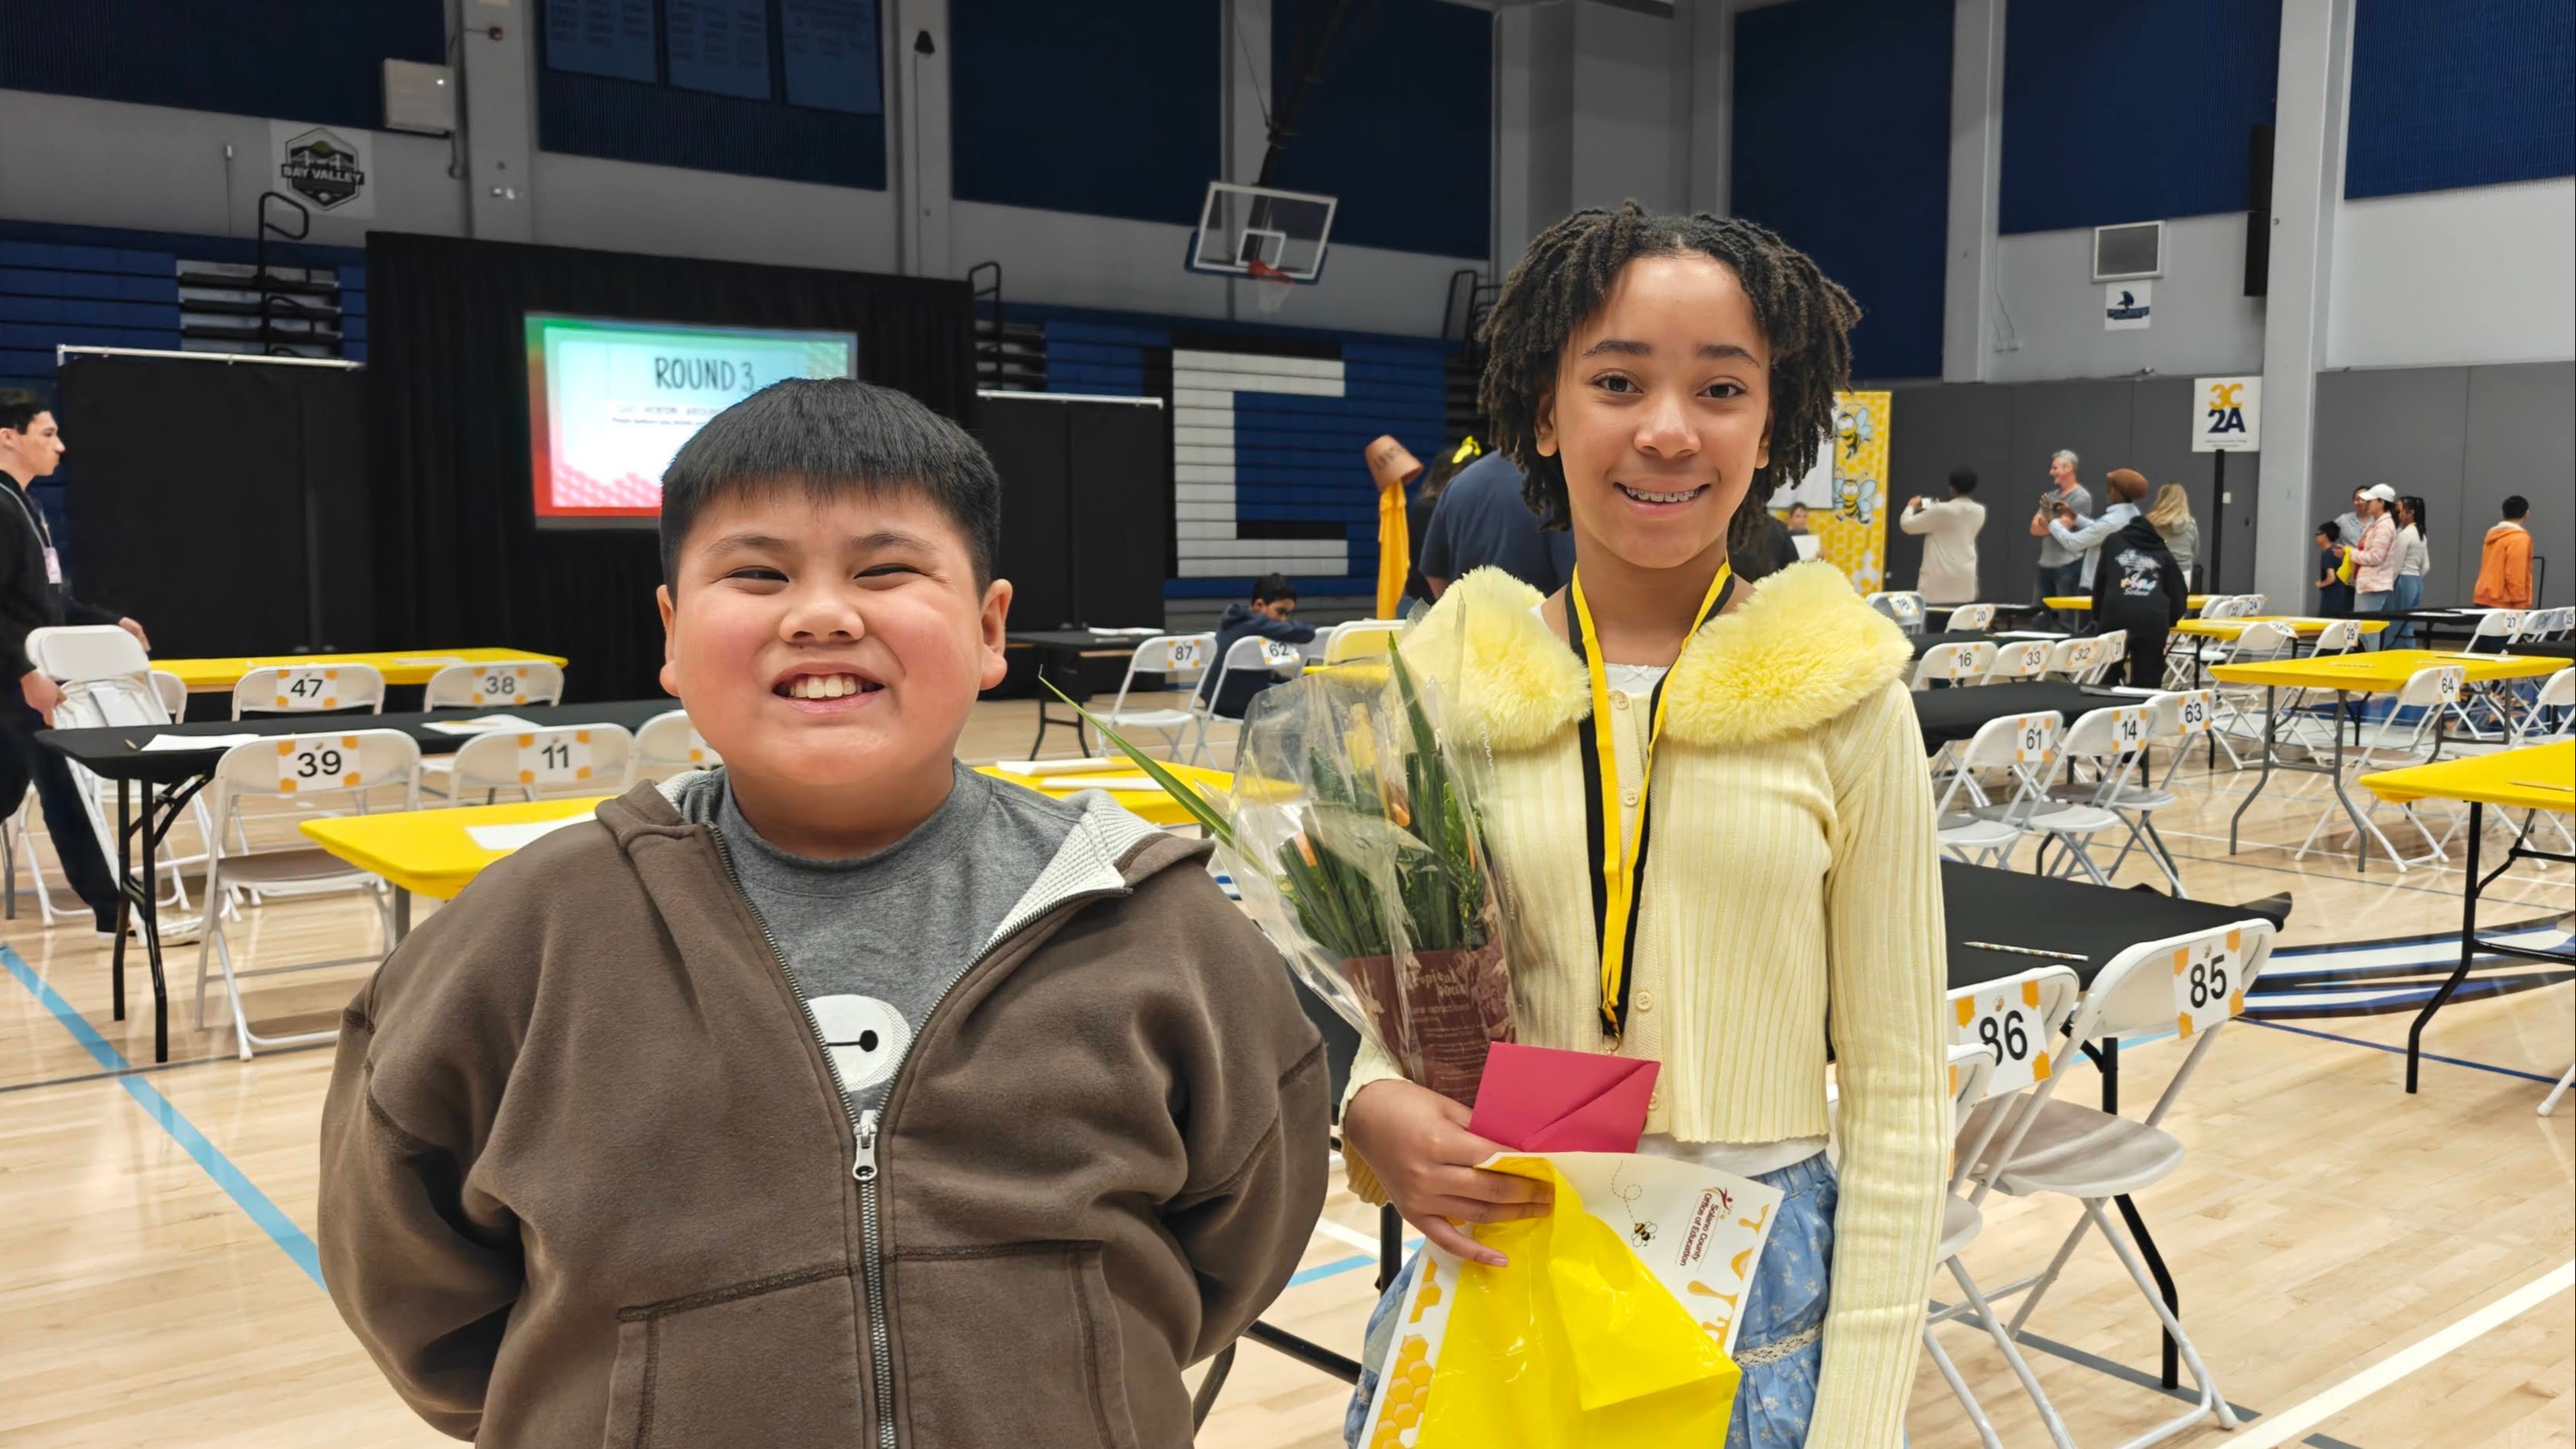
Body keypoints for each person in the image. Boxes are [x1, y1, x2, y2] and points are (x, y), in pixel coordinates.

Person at [318, 378, 1330, 1445]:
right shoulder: (523, 938)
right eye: (756, 573)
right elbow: (411, 1278)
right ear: (668, 630)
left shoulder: (1148, 917)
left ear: (990, 628)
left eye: (885, 569)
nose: (820, 612)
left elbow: (1237, 1236)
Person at [1339, 205, 1943, 1447]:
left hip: (1755, 1300)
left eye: (1718, 387)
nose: (1666, 428)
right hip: (1503, 1260)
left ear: (1767, 424)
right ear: (1544, 412)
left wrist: (1864, 1416)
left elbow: (1896, 1096)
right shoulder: (1446, 678)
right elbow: (1383, 1000)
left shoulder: (1844, 692)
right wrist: (1367, 1108)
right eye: (1616, 380)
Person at [0, 400, 150, 938]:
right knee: (63, 787)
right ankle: (115, 907)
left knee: (22, 789)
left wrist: (114, 622)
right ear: (8, 437)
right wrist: (24, 672)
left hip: (28, 683)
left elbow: (52, 603)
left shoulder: (27, 508)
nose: (60, 445)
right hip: (16, 683)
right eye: (48, 433)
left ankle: (113, 906)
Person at [1417, 446, 1576, 599]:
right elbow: (1574, 580)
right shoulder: (1556, 486)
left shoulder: (1458, 484)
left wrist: (1456, 616)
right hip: (1540, 622)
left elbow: (1434, 572)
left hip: (1470, 621)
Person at [2089, 484, 2188, 686]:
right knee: (2147, 680)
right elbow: (2178, 591)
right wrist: (2171, 619)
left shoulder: (2113, 542)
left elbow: (2100, 581)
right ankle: (2144, 714)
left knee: (2106, 677)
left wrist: (2098, 617)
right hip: (2152, 619)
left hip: (2115, 616)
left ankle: (2104, 712)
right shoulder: (2161, 549)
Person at [1202, 572, 1316, 719]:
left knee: (1291, 687)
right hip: (1241, 703)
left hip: (1214, 700)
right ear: (1259, 604)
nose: (1283, 620)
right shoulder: (1257, 625)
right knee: (1303, 698)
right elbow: (1308, 633)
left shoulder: (1232, 621)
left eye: (1287, 614)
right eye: (1280, 612)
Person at [2045, 464, 2148, 597]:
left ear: (2118, 492)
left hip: (2097, 589)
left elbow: (2074, 543)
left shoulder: (2112, 521)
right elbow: (2099, 530)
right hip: (2116, 586)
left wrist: (2051, 521)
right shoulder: (2133, 514)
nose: (2108, 491)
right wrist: (2074, 516)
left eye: (2110, 488)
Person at [1899, 466, 1985, 603]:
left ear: (1951, 487)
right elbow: (1953, 511)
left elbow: (1907, 525)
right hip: (1965, 580)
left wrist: (1911, 506)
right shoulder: (1980, 511)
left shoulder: (1941, 510)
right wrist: (1933, 506)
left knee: (1934, 622)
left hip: (1938, 582)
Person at [2029, 449, 2092, 623]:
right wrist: (2051, 523)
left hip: (2068, 566)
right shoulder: (2051, 496)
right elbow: (2034, 528)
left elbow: (2063, 527)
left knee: (2068, 619)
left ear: (2068, 468)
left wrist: (2047, 521)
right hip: (2045, 564)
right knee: (2039, 618)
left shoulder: (2081, 497)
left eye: (2055, 468)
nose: (2051, 472)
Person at [2350, 482, 2399, 642]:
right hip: (2368, 584)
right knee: (2364, 630)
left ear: (2382, 503)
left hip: (2374, 585)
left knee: (2369, 631)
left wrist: (2351, 553)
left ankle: (2372, 662)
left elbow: (2375, 557)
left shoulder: (2384, 526)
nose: (2366, 504)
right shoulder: (2377, 523)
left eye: (2370, 502)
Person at [2475, 494, 2534, 609]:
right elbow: (2515, 574)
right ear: (2527, 513)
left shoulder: (2492, 535)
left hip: (2483, 597)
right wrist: (2520, 605)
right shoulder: (2519, 539)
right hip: (2504, 602)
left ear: (2502, 513)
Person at [2391, 495, 2430, 647]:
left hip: (2403, 580)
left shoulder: (2405, 534)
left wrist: (2392, 584)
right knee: (2408, 624)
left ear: (2410, 512)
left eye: (2399, 511)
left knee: (2398, 624)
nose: (2396, 514)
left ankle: (2399, 655)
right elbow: (2426, 566)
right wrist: (2416, 579)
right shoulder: (2421, 534)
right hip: (2416, 581)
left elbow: (2396, 565)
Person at [2147, 482, 2200, 587]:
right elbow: (2195, 550)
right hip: (2183, 573)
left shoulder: (2151, 521)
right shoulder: (2190, 524)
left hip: (2156, 570)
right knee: (2179, 603)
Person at [2316, 522, 2355, 616]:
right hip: (2346, 596)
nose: (2316, 537)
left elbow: (2331, 578)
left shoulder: (2327, 553)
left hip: (2332, 598)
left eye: (2318, 533)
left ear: (2324, 535)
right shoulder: (2340, 551)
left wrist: (2321, 584)